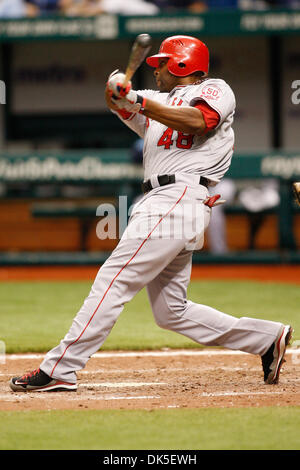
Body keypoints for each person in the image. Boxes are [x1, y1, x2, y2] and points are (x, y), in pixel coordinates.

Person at [10, 35, 292, 393]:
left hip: (178, 196)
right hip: (167, 201)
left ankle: (60, 368)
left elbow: (196, 121)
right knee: (171, 311)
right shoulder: (155, 103)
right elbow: (124, 105)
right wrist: (116, 90)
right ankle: (268, 339)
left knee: (114, 279)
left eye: (162, 63)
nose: (156, 69)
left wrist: (138, 100)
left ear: (183, 64)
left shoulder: (215, 89)